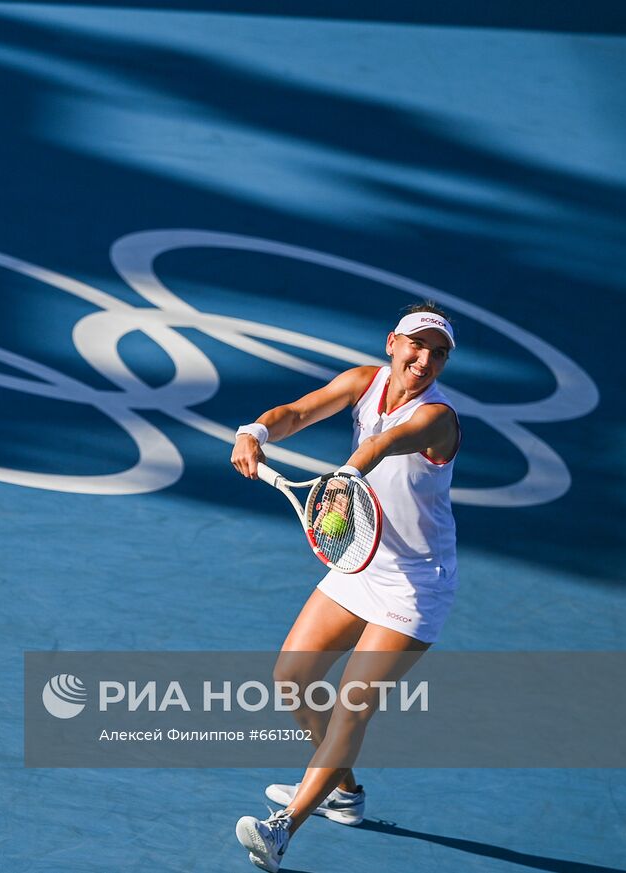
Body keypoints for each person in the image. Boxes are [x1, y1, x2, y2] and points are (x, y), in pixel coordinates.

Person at [228, 302, 461, 872]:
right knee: (292, 677)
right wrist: (254, 431)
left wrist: (342, 481)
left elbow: (382, 445)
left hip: (415, 586)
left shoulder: (439, 418)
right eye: (416, 345)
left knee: (352, 706)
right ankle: (343, 788)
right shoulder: (363, 384)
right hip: (364, 563)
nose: (424, 359)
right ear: (391, 344)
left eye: (438, 353)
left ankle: (283, 830)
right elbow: (296, 412)